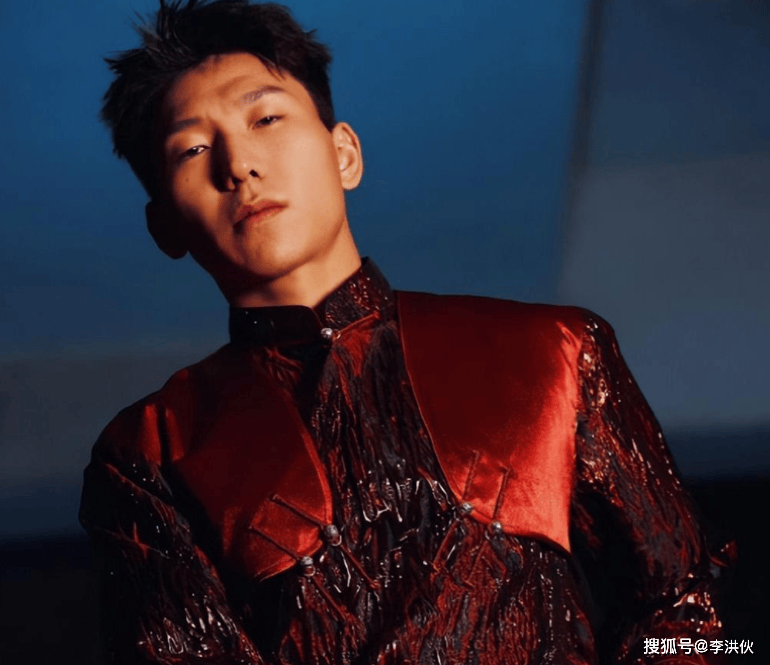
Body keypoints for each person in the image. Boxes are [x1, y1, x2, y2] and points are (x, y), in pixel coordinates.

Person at [79, 1, 733, 663]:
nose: (239, 164)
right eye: (192, 148)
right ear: (164, 227)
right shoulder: (151, 452)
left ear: (344, 154)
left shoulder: (557, 353)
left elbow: (692, 611)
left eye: (266, 118)